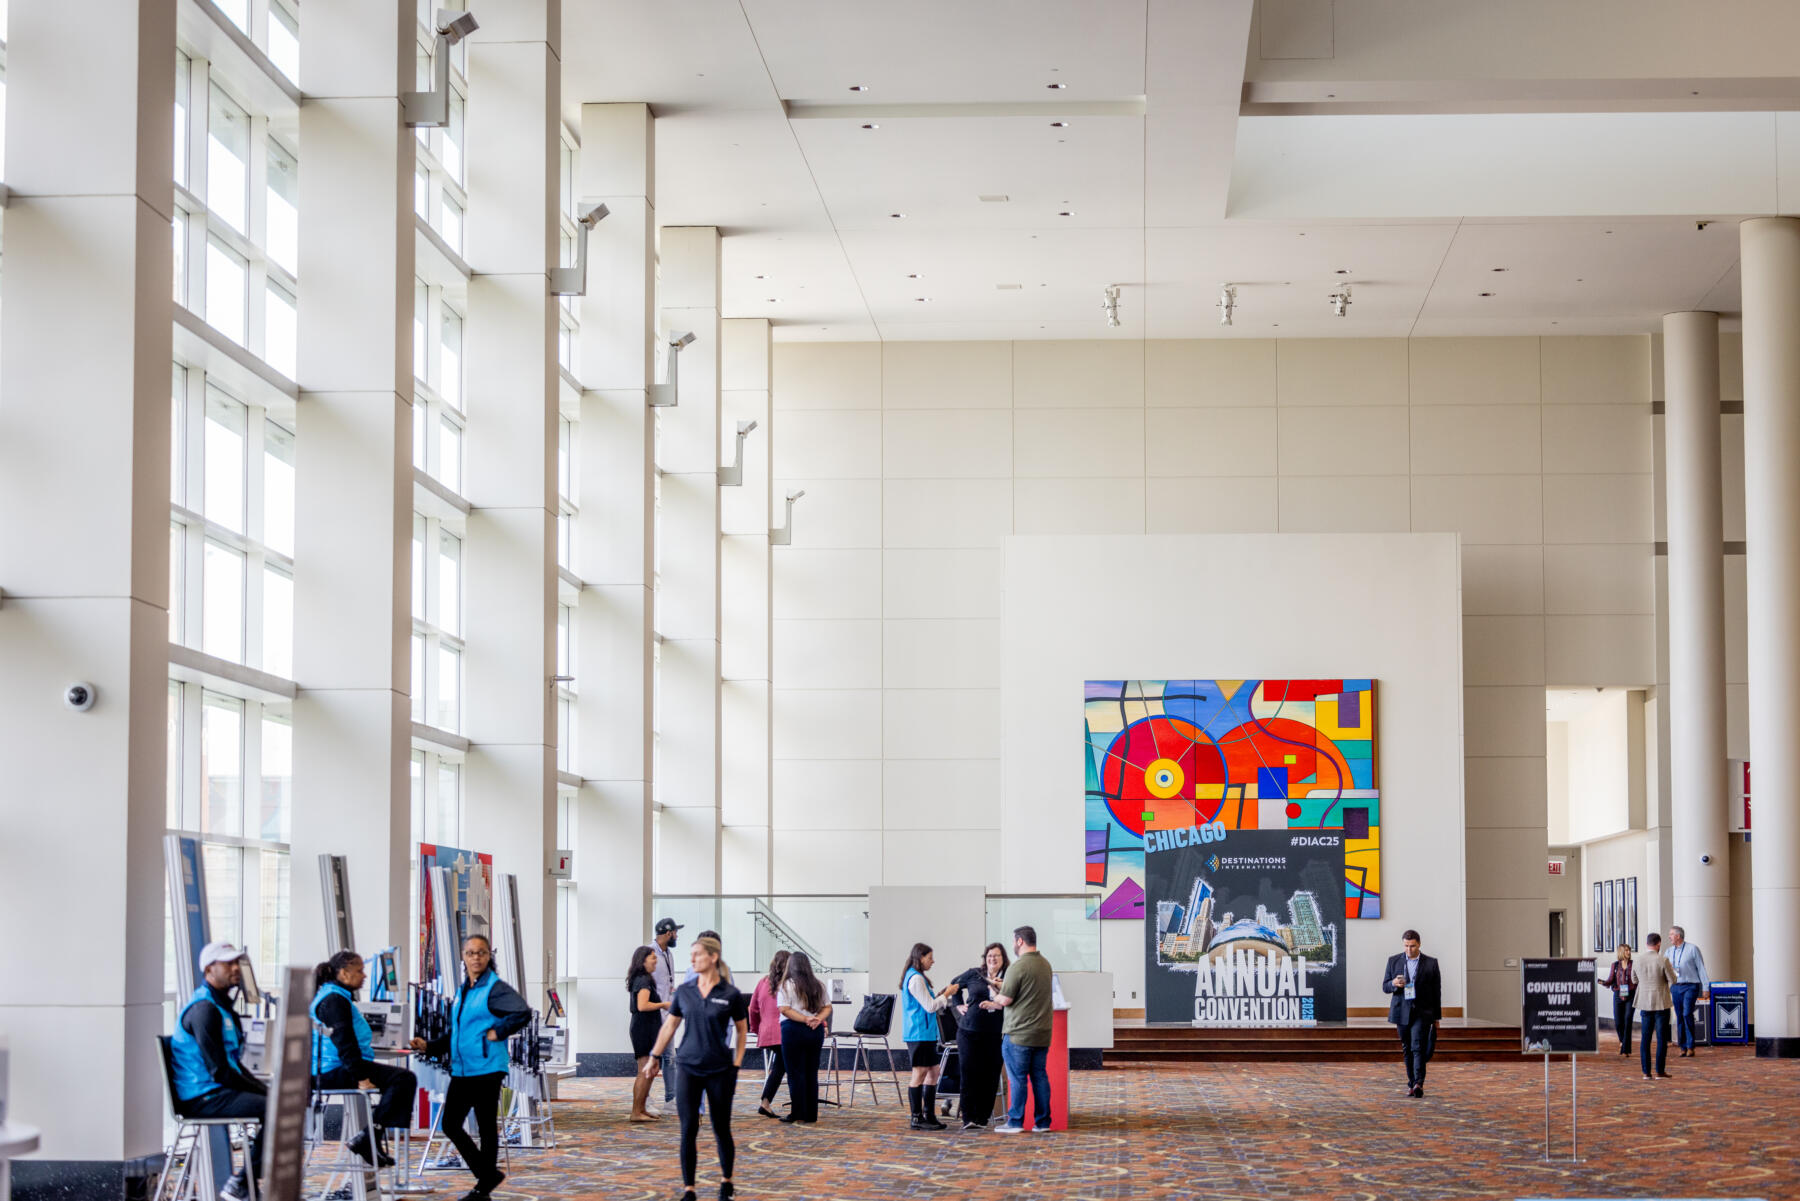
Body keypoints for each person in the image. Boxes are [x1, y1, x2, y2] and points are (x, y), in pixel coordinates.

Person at [410, 934, 532, 1201]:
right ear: (463, 957)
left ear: (489, 957)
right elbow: (458, 1032)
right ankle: (486, 1177)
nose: (475, 957)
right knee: (451, 1124)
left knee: (486, 1126)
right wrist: (429, 1046)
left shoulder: (494, 988)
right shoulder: (465, 989)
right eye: (470, 953)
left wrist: (498, 1032)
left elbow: (522, 1012)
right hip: (464, 1069)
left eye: (481, 953)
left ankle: (483, 1186)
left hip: (487, 1067)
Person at [644, 936, 748, 1201]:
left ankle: (726, 1182)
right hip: (688, 1067)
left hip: (720, 1068)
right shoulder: (685, 992)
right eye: (691, 954)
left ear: (712, 957)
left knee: (720, 1127)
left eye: (697, 954)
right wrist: (655, 1055)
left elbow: (741, 1030)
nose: (691, 959)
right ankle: (689, 1189)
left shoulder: (730, 994)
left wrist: (736, 1064)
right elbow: (670, 1026)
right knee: (688, 1128)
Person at [169, 942, 266, 1201]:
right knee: (274, 1109)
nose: (236, 968)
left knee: (277, 1105)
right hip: (202, 1096)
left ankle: (247, 1181)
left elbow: (233, 1065)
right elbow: (220, 1071)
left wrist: (268, 1090)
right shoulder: (205, 1010)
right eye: (228, 964)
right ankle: (243, 1182)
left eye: (237, 963)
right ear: (210, 969)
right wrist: (267, 1093)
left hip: (216, 1090)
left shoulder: (221, 1007)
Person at [311, 950, 419, 1167]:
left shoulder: (336, 996)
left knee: (401, 1080)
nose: (364, 976)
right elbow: (345, 1043)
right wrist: (361, 1077)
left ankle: (371, 1140)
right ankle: (370, 1137)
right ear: (343, 973)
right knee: (403, 1079)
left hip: (338, 1067)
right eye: (359, 971)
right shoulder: (333, 1000)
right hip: (331, 1072)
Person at [984, 926, 1054, 1135]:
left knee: (1018, 1079)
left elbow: (1006, 1000)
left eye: (1014, 941)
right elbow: (1027, 993)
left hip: (1019, 1034)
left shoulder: (1018, 966)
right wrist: (1005, 986)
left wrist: (994, 995)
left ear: (1020, 941)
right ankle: (1042, 1122)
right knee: (1040, 1077)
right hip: (1042, 1033)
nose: (1013, 945)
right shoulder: (1045, 964)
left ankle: (1015, 1122)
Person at [898, 943, 962, 1130]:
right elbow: (930, 1006)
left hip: (925, 1033)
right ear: (920, 957)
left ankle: (929, 1115)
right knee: (919, 1074)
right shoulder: (916, 979)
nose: (932, 961)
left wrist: (942, 994)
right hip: (918, 1033)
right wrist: (947, 994)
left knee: (934, 1072)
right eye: (930, 958)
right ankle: (916, 1118)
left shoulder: (918, 978)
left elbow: (929, 1002)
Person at [952, 942, 1009, 1130]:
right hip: (969, 1031)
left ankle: (982, 1118)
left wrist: (998, 1004)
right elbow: (954, 985)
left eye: (996, 956)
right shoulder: (975, 974)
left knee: (990, 1075)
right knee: (969, 1073)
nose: (992, 959)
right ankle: (968, 1118)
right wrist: (957, 1005)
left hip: (994, 1033)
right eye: (989, 955)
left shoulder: (1009, 977)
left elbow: (1015, 998)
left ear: (1003, 958)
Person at [1381, 930, 1441, 1099]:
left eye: (1412, 946)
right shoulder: (1393, 961)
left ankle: (1418, 1083)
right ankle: (1411, 1082)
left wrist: (1437, 1018)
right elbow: (1385, 986)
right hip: (1401, 1011)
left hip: (1422, 1011)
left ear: (1419, 944)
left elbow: (1437, 992)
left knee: (1417, 1046)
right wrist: (1394, 983)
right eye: (1406, 946)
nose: (1409, 949)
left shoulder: (1431, 963)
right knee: (1407, 1048)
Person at [777, 951, 831, 1125]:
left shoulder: (786, 985)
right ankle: (811, 1114)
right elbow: (827, 1007)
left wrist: (804, 1018)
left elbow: (784, 1009)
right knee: (810, 1072)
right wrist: (817, 1019)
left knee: (795, 1073)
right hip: (814, 1031)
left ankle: (798, 1112)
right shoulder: (818, 985)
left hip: (792, 1029)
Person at [627, 944, 670, 1122]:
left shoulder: (645, 979)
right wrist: (663, 1005)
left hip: (648, 1028)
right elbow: (642, 1006)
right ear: (643, 961)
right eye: (652, 957)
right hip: (643, 1029)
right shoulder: (643, 980)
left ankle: (641, 1108)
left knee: (651, 1070)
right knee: (644, 1070)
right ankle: (636, 1111)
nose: (656, 960)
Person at [746, 950, 790, 1120]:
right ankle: (768, 1103)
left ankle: (765, 1103)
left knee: (780, 1067)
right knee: (786, 1067)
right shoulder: (789, 984)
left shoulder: (763, 982)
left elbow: (752, 1009)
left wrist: (756, 1029)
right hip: (783, 1032)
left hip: (766, 1033)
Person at [1632, 931, 1679, 1081]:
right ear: (1658, 944)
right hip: (1661, 1002)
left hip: (1645, 1002)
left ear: (1647, 944)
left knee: (1645, 1038)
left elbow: (1634, 980)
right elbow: (1673, 979)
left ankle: (1646, 1072)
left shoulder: (1637, 960)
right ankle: (1660, 1071)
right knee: (1661, 1038)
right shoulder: (1662, 959)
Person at [652, 917, 683, 1111]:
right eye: (675, 932)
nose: (677, 936)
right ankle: (644, 1098)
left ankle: (671, 1099)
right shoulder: (651, 953)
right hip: (654, 1015)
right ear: (668, 932)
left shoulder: (668, 954)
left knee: (670, 1057)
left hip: (668, 1014)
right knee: (651, 1059)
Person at [1666, 925, 1711, 1057]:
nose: (1669, 937)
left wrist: (1705, 987)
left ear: (1678, 936)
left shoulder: (1692, 949)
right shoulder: (1668, 951)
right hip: (1676, 986)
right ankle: (1683, 1046)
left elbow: (1701, 968)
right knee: (1679, 1016)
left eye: (1671, 934)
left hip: (1691, 985)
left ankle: (1691, 1045)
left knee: (1687, 1013)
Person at [1600, 944, 1637, 1055]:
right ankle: (1622, 1040)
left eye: (1629, 950)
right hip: (1618, 994)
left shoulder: (1634, 965)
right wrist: (1598, 980)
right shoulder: (1615, 965)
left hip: (1631, 994)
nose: (1629, 952)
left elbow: (1638, 979)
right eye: (1626, 950)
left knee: (1628, 1019)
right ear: (1621, 952)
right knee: (1618, 1021)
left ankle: (1625, 1048)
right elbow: (1610, 980)